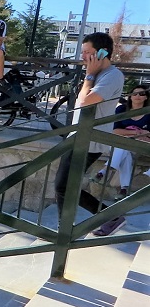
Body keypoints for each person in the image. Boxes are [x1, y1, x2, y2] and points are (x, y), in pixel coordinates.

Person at [53, 32, 125, 237]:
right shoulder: (98, 74)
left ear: (103, 53)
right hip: (79, 137)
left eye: (87, 53)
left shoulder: (112, 75)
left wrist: (89, 76)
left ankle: (67, 229)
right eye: (82, 52)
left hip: (90, 141)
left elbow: (85, 101)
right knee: (65, 185)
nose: (83, 57)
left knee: (63, 186)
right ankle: (69, 227)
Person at [92, 85, 150, 199]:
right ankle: (124, 189)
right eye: (134, 93)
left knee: (124, 147)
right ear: (130, 96)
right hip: (120, 142)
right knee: (124, 149)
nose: (137, 96)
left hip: (140, 144)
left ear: (146, 98)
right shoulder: (121, 110)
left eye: (142, 94)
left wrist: (142, 134)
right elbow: (115, 130)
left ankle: (104, 171)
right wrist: (136, 133)